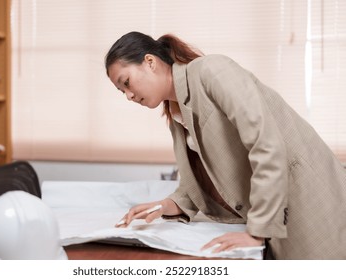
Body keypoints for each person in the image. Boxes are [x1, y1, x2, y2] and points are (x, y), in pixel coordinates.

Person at [104, 31, 346, 260]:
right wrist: (168, 205)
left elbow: (266, 145)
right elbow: (209, 175)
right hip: (278, 214)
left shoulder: (211, 71)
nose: (129, 96)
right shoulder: (176, 116)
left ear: (150, 62)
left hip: (310, 200)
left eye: (126, 82)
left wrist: (256, 231)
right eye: (121, 91)